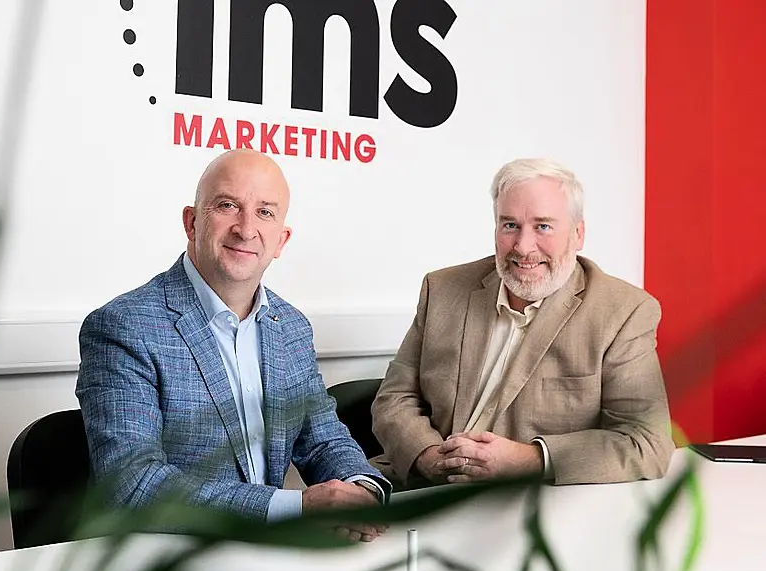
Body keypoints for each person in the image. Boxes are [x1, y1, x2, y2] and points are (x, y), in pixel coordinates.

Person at [76, 149, 391, 541]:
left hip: (268, 555)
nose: (245, 229)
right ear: (192, 222)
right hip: (164, 563)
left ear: (281, 239)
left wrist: (362, 489)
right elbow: (133, 486)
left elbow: (323, 437)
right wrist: (297, 508)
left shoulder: (290, 327)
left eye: (265, 213)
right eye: (228, 206)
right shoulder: (125, 326)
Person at [371, 158, 675, 488]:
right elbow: (394, 398)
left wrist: (528, 460)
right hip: (419, 489)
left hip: (529, 502)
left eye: (543, 226)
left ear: (578, 234)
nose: (523, 247)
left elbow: (647, 442)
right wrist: (427, 455)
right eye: (510, 225)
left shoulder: (622, 312)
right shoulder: (442, 289)